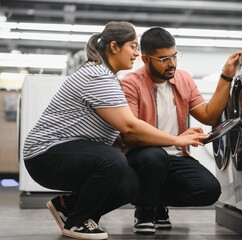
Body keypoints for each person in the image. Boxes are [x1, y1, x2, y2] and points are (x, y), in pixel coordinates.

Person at [23, 22, 208, 240]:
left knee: (131, 186)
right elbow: (129, 126)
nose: (137, 54)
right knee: (113, 160)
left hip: (64, 153)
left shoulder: (108, 77)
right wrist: (178, 139)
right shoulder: (97, 75)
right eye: (133, 46)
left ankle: (68, 206)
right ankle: (77, 223)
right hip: (44, 154)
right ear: (114, 46)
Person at [120, 26, 242, 234]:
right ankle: (146, 212)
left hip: (175, 157)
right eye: (164, 59)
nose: (172, 64)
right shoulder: (131, 84)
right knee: (155, 157)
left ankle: (154, 199)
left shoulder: (183, 79)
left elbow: (208, 115)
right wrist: (176, 139)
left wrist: (226, 76)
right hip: (142, 156)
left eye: (175, 56)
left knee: (209, 191)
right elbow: (131, 134)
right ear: (146, 59)